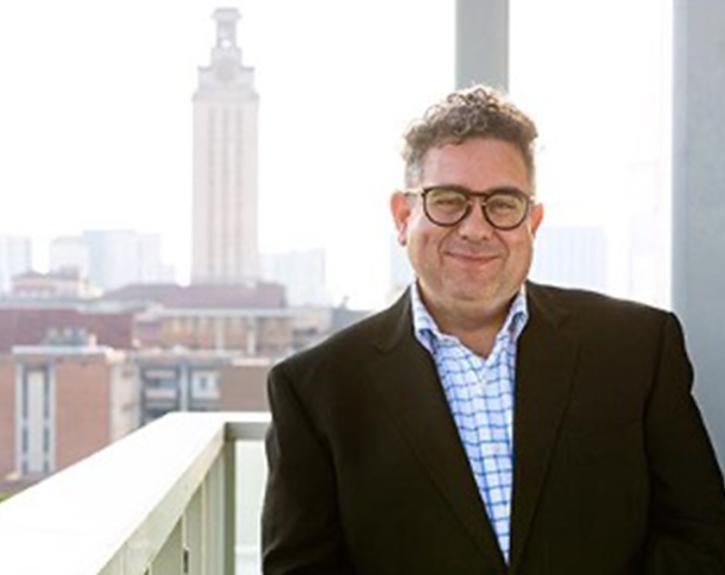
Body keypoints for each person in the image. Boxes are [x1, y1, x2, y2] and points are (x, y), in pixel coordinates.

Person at [261, 85, 725, 574]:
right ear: (403, 216)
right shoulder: (317, 390)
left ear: (533, 222)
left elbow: (701, 539)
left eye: (502, 204)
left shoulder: (638, 349)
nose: (476, 228)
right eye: (448, 200)